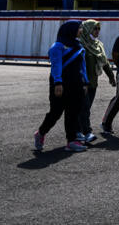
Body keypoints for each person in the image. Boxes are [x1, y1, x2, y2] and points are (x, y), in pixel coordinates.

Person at [33, 20, 89, 152]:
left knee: (73, 113)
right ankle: (41, 133)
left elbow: (83, 66)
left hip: (77, 84)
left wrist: (85, 82)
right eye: (79, 28)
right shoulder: (57, 47)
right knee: (55, 113)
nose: (81, 31)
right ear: (70, 30)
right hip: (61, 83)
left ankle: (71, 141)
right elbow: (56, 66)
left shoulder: (79, 46)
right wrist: (58, 83)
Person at [77, 19, 116, 143]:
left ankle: (77, 131)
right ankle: (87, 132)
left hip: (93, 83)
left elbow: (104, 63)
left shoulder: (98, 45)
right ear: (88, 29)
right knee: (84, 107)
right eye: (95, 28)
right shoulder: (80, 45)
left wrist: (111, 77)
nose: (97, 31)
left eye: (99, 28)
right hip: (82, 83)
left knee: (85, 108)